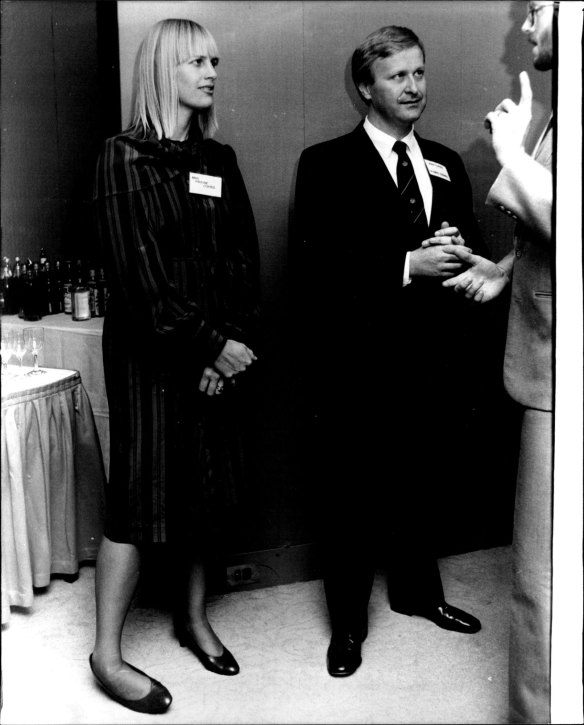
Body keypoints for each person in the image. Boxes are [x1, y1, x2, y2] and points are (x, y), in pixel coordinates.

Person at [293, 25, 483, 679]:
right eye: (399, 76)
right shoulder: (325, 165)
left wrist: (460, 260)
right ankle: (348, 627)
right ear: (364, 87)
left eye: (420, 73)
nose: (414, 87)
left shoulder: (448, 163)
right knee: (351, 499)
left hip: (432, 364)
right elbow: (315, 272)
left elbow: (464, 260)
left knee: (421, 483)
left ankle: (417, 593)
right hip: (358, 366)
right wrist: (407, 263)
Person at [90, 18, 260, 714]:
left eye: (215, 60)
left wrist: (230, 347)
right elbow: (140, 283)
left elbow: (244, 261)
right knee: (137, 499)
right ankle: (105, 653)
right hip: (151, 358)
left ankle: (192, 619)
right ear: (164, 67)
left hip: (214, 355)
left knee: (205, 489)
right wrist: (209, 345)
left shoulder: (217, 158)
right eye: (197, 61)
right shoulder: (122, 157)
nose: (212, 71)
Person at [440, 3, 555, 721]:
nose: (527, 27)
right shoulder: (561, 110)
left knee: (539, 577)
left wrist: (512, 151)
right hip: (549, 360)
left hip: (563, 379)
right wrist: (510, 264)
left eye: (539, 8)